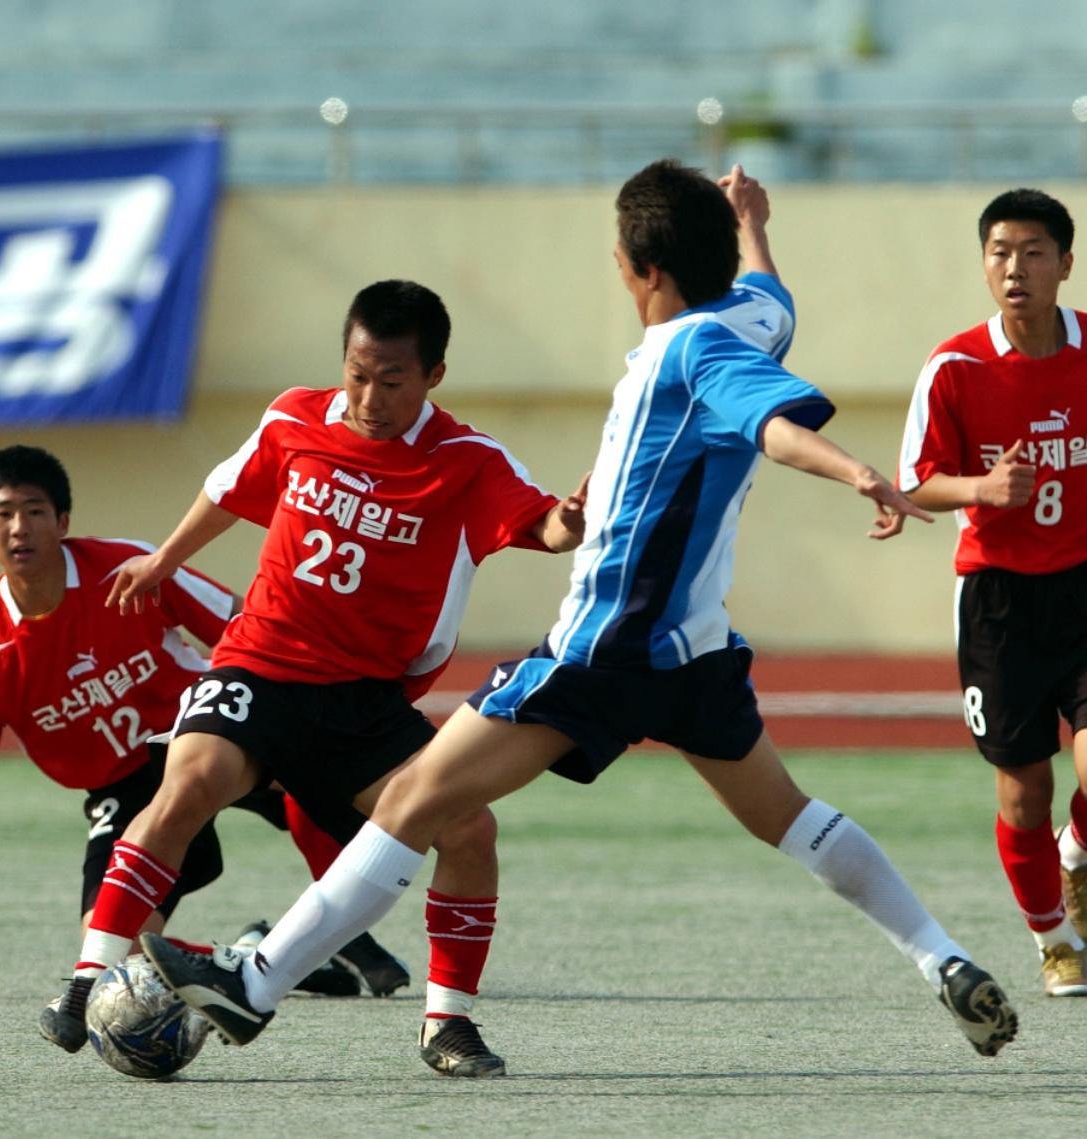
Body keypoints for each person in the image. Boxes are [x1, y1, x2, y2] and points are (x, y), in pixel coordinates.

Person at [140, 161, 1019, 1066]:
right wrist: (755, 223)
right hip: (697, 651)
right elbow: (776, 300)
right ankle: (942, 958)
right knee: (788, 814)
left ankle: (254, 987)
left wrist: (858, 472)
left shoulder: (690, 351)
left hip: (603, 649)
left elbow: (772, 425)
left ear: (642, 271)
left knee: (413, 800)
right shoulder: (746, 320)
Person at [42, 280, 589, 1077]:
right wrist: (165, 558)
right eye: (357, 372)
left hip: (367, 702)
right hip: (259, 663)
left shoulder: (467, 462)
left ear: (433, 374)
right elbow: (229, 488)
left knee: (468, 829)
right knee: (188, 784)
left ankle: (449, 1024)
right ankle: (88, 979)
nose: (370, 397)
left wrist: (567, 522)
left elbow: (539, 521)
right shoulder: (296, 416)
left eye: (392, 380)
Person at [0, 445, 408, 1040]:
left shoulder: (131, 567)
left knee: (318, 791)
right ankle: (255, 953)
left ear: (63, 522)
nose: (21, 527)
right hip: (120, 785)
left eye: (36, 510)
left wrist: (299, 715)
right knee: (111, 944)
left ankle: (345, 936)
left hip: (209, 730)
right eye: (5, 513)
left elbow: (242, 623)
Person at [897, 187, 1087, 997]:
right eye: (1001, 252)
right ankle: (1055, 940)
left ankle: (1074, 855)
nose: (1016, 268)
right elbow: (916, 483)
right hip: (1000, 603)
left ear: (1065, 265)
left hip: (1084, 588)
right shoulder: (955, 367)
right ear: (985, 264)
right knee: (1025, 788)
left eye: (1034, 251)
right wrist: (981, 487)